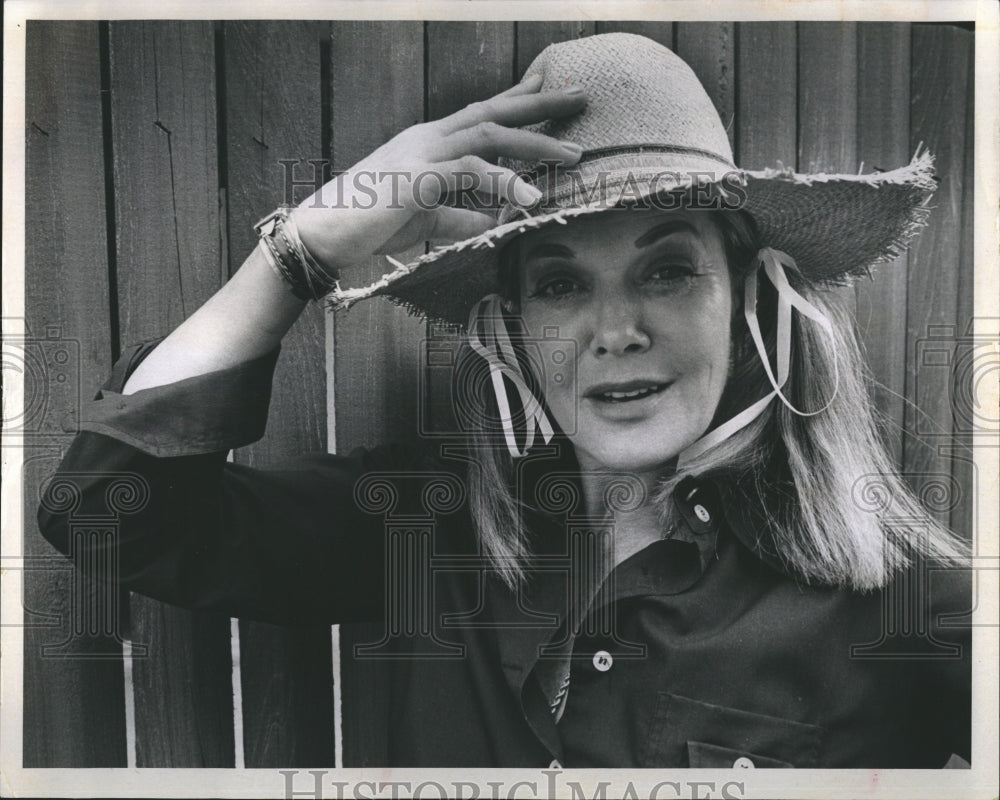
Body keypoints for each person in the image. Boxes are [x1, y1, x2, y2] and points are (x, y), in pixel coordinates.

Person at [38, 33, 971, 768]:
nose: (616, 331)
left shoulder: (907, 607)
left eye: (669, 270)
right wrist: (301, 251)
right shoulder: (426, 528)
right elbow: (110, 514)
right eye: (561, 284)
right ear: (513, 324)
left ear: (747, 298)